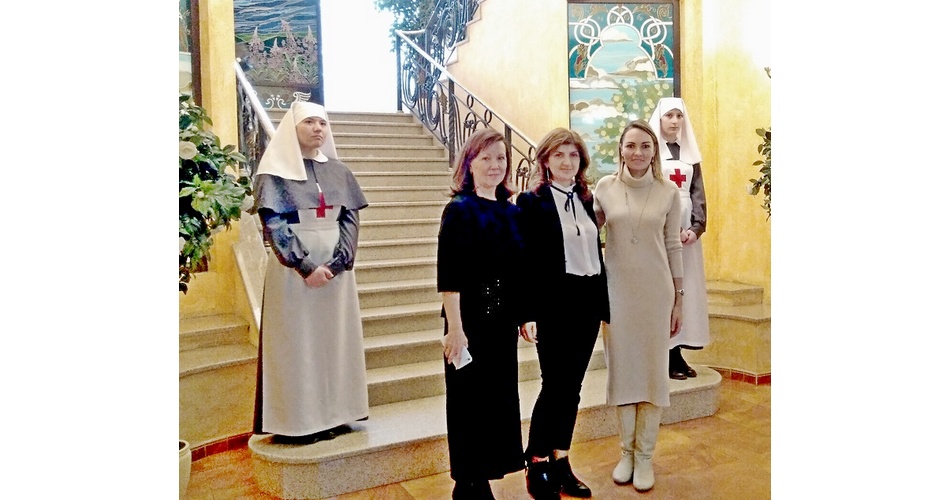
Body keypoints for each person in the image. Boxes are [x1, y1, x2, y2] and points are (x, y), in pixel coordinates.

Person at [250, 101, 369, 445]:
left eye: (322, 123)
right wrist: (304, 266)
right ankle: (300, 421)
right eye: (310, 122)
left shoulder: (339, 171)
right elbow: (274, 224)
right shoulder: (274, 173)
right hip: (295, 274)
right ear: (293, 128)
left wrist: (338, 262)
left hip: (335, 272)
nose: (318, 128)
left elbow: (349, 219)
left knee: (336, 343)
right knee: (298, 345)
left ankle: (338, 413)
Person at [515, 128, 609, 500]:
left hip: (587, 301)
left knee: (573, 387)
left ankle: (561, 459)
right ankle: (537, 459)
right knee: (554, 384)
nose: (566, 162)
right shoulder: (531, 202)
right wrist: (526, 312)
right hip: (553, 304)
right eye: (558, 155)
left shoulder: (587, 199)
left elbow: (595, 252)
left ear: (581, 161)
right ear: (546, 161)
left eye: (572, 155)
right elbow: (523, 261)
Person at [438, 128, 529, 499]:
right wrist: (454, 329)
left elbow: (518, 272)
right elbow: (450, 275)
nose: (495, 165)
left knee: (497, 402)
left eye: (501, 158)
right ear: (470, 163)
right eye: (486, 157)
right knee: (468, 405)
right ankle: (467, 483)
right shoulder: (460, 209)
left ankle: (483, 478)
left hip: (501, 324)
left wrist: (523, 316)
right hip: (469, 323)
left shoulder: (511, 210)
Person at [593, 120, 684, 492]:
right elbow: (585, 232)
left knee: (651, 373)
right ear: (620, 149)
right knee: (624, 373)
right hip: (616, 294)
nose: (638, 152)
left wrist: (679, 299)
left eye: (645, 146)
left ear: (654, 150)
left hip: (656, 294)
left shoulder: (668, 192)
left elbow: (674, 245)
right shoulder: (605, 188)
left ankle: (645, 456)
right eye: (631, 145)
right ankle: (626, 454)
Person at [648, 97, 710, 380]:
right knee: (666, 288)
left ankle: (678, 351)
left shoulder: (690, 154)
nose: (674, 121)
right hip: (661, 228)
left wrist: (696, 228)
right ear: (660, 119)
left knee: (687, 289)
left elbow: (698, 193)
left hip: (687, 234)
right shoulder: (651, 153)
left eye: (679, 116)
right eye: (669, 116)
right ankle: (665, 353)